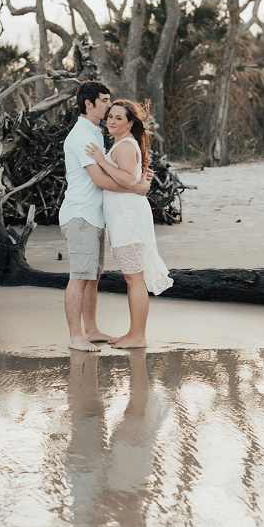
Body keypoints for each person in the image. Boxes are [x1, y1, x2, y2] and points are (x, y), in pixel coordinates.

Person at [59, 81, 152, 352]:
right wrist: (136, 186)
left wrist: (134, 178)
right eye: (104, 100)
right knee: (79, 276)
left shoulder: (96, 133)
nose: (108, 106)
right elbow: (99, 179)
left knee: (93, 276)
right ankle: (76, 336)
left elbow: (116, 165)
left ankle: (91, 328)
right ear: (89, 103)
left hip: (95, 216)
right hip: (81, 214)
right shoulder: (81, 136)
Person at [85, 100, 173, 348]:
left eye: (118, 118)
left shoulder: (123, 147)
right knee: (132, 278)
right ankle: (134, 332)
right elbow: (133, 180)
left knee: (135, 279)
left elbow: (125, 179)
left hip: (128, 219)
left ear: (130, 123)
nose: (112, 121)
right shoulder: (124, 145)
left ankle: (138, 336)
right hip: (125, 216)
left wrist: (101, 161)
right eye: (110, 116)